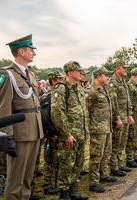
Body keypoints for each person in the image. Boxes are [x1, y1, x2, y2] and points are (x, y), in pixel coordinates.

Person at [0, 34, 43, 200]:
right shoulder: (7, 74)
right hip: (19, 134)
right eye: (31, 50)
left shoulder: (30, 74)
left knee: (27, 178)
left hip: (34, 131)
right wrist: (7, 137)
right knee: (16, 181)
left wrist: (40, 131)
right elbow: (3, 109)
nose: (34, 53)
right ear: (21, 52)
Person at [51, 61, 89, 200]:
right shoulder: (61, 89)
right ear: (70, 73)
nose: (81, 73)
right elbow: (57, 113)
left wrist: (85, 133)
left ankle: (72, 190)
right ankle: (64, 194)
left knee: (78, 163)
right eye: (78, 71)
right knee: (67, 164)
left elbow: (83, 112)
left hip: (80, 133)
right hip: (69, 135)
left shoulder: (78, 88)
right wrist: (66, 134)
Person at [87, 67, 115, 193]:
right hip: (97, 129)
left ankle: (104, 174)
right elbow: (86, 111)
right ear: (98, 76)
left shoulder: (104, 89)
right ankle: (93, 182)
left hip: (106, 127)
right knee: (96, 156)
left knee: (106, 153)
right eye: (106, 75)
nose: (108, 77)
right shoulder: (92, 91)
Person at [108, 59, 134, 176]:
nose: (126, 70)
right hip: (118, 118)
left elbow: (127, 100)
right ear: (117, 68)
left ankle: (119, 164)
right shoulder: (113, 82)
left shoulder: (123, 81)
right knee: (116, 143)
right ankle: (114, 167)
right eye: (124, 68)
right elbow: (113, 103)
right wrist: (117, 117)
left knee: (122, 142)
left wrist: (129, 114)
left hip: (125, 116)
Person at [42, 71, 65, 195]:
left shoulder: (56, 95)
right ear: (54, 81)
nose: (63, 82)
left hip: (57, 133)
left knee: (58, 160)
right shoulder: (48, 97)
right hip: (51, 134)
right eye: (60, 80)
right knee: (50, 160)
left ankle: (55, 183)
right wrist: (52, 132)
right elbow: (46, 117)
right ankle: (47, 185)